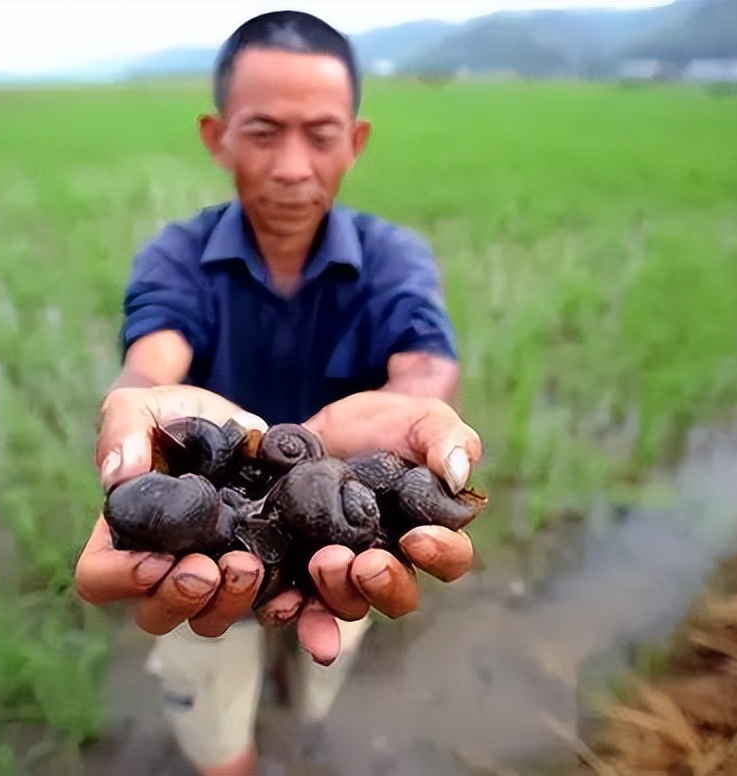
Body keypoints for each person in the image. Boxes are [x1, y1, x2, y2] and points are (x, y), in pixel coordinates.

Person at [74, 10, 484, 776]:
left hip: (333, 549)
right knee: (216, 715)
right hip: (210, 556)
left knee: (321, 649)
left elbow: (426, 361)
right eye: (263, 131)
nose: (293, 166)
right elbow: (151, 360)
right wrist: (139, 411)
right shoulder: (178, 257)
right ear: (217, 135)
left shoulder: (394, 259)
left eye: (320, 134)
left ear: (354, 141)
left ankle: (299, 715)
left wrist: (412, 410)